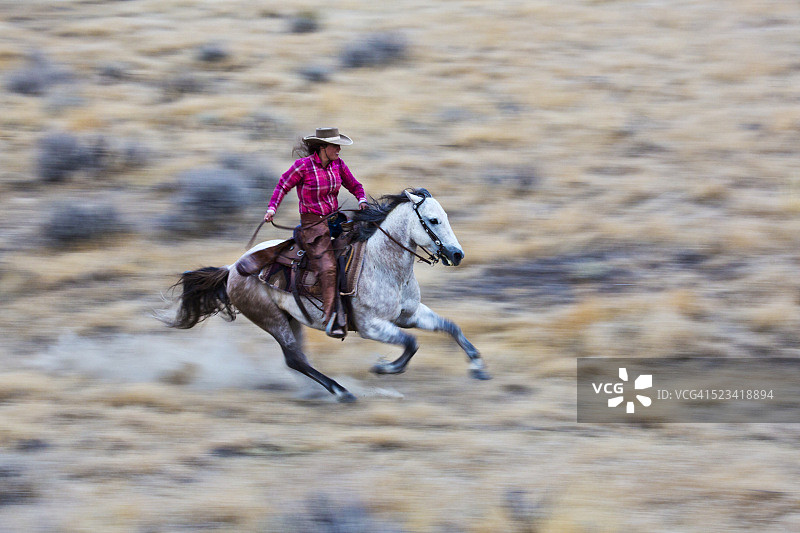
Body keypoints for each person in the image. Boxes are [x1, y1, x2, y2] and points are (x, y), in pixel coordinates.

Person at [264, 127, 368, 338]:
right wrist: (272, 208)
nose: (339, 149)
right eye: (335, 146)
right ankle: (331, 319)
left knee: (362, 245)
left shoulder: (338, 165)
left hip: (335, 220)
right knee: (328, 267)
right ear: (322, 147)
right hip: (313, 226)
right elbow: (283, 185)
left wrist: (362, 199)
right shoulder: (303, 166)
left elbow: (354, 185)